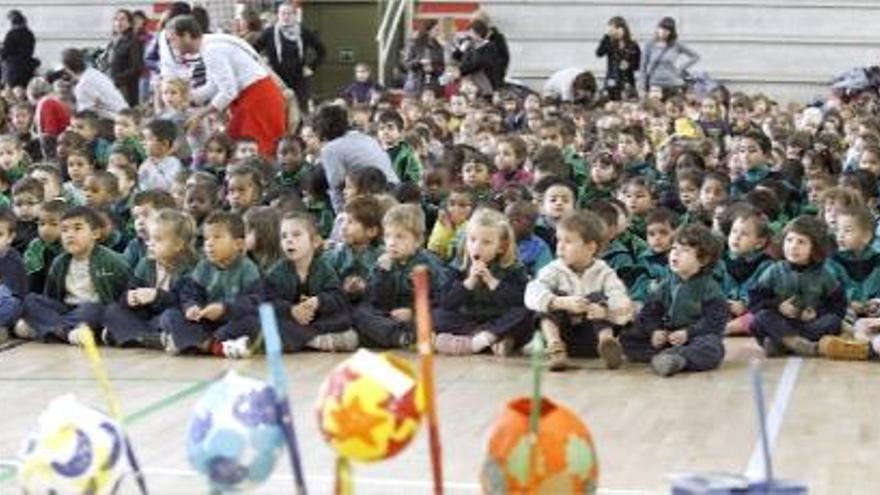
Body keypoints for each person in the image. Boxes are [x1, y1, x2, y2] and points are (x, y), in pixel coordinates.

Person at [525, 210, 632, 371]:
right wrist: (559, 302)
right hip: (565, 336)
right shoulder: (554, 269)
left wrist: (605, 312)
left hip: (591, 339)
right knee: (549, 300)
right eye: (558, 239)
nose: (560, 246)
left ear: (590, 247)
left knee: (598, 297)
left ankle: (607, 344)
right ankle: (556, 348)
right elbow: (531, 292)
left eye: (568, 241)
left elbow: (624, 305)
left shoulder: (605, 272)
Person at [167, 15, 287, 159]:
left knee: (255, 155)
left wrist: (201, 113)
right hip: (254, 98)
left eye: (172, 39)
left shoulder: (212, 49)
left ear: (186, 36)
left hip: (258, 101)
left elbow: (229, 92)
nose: (171, 45)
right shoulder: (210, 44)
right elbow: (213, 87)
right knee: (236, 150)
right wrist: (185, 95)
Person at [622, 223, 726, 377]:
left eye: (685, 250)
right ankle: (667, 356)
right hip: (668, 336)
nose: (675, 254)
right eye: (674, 249)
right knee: (629, 337)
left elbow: (714, 322)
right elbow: (649, 312)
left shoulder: (710, 288)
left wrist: (688, 333)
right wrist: (655, 330)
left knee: (712, 348)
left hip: (695, 338)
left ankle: (678, 359)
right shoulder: (665, 284)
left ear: (703, 260)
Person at [15, 207, 130, 344]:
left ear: (95, 233)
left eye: (77, 228)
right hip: (66, 308)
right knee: (30, 300)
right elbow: (50, 296)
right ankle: (66, 332)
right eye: (64, 230)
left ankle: (47, 329)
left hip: (93, 310)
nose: (70, 235)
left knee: (93, 309)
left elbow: (126, 292)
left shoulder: (112, 260)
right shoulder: (60, 262)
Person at [159, 211, 261, 357]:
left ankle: (195, 344)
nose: (209, 243)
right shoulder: (203, 266)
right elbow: (190, 293)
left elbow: (255, 301)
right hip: (205, 324)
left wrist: (225, 309)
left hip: (229, 323)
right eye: (207, 239)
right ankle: (213, 346)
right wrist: (192, 307)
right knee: (170, 315)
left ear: (238, 244)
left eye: (217, 237)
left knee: (252, 323)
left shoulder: (247, 268)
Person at [432, 208, 532, 356]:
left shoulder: (513, 267)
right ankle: (491, 339)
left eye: (486, 242)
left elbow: (519, 300)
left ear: (500, 247)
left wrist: (492, 282)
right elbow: (446, 301)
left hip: (499, 316)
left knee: (526, 314)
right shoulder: (459, 265)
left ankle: (479, 341)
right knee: (437, 314)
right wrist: (468, 283)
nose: (476, 247)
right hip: (469, 319)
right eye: (472, 240)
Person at [749, 216, 846, 357]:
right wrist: (778, 306)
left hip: (810, 325)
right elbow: (755, 301)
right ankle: (794, 342)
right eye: (789, 240)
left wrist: (817, 313)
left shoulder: (825, 274)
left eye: (801, 242)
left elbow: (838, 307)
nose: (793, 246)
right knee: (760, 318)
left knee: (833, 322)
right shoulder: (774, 271)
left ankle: (781, 343)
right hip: (781, 322)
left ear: (815, 247)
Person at [353, 204, 447, 348]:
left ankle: (393, 337)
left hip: (417, 314)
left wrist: (412, 312)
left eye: (400, 237)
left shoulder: (429, 263)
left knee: (440, 316)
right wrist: (382, 273)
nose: (392, 243)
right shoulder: (383, 262)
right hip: (391, 316)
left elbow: (442, 298)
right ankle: (401, 338)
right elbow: (375, 300)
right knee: (360, 312)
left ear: (418, 241)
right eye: (388, 236)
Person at [102, 208, 197, 348]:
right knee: (112, 310)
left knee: (171, 317)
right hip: (147, 319)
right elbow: (126, 294)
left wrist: (156, 296)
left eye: (158, 239)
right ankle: (152, 339)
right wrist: (130, 298)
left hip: (167, 318)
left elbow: (184, 303)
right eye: (150, 238)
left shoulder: (190, 268)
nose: (150, 243)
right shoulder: (146, 263)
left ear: (178, 245)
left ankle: (132, 337)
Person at [263, 211, 354, 352]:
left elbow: (337, 295)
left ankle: (303, 339)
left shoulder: (324, 268)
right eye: (284, 236)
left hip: (317, 321)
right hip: (290, 320)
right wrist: (291, 310)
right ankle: (312, 340)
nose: (289, 240)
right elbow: (268, 300)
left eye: (296, 234)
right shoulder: (277, 271)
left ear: (315, 242)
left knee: (345, 321)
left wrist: (319, 301)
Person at [312, 104, 399, 212]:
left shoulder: (330, 149)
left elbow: (336, 185)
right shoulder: (366, 138)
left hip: (375, 197)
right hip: (396, 190)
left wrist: (341, 217)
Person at [254, 2, 325, 111]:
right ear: (278, 15)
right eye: (283, 13)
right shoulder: (269, 33)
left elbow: (322, 51)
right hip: (276, 80)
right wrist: (263, 65)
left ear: (295, 15)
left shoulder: (304, 32)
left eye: (289, 13)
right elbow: (252, 51)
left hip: (298, 80)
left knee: (301, 111)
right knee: (277, 111)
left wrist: (311, 67)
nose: (286, 16)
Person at [61, 48, 129, 122]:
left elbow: (85, 117)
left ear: (67, 67)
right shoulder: (94, 73)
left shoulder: (83, 86)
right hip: (124, 115)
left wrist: (65, 103)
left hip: (115, 121)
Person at [640, 17, 699, 97]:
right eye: (662, 28)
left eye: (667, 30)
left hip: (671, 84)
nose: (664, 32)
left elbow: (695, 56)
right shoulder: (649, 45)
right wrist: (642, 88)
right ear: (658, 29)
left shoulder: (675, 45)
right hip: (654, 85)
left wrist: (681, 68)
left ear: (671, 32)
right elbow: (643, 67)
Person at [103, 9, 144, 106]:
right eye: (116, 19)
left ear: (130, 22)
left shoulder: (134, 41)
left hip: (125, 88)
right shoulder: (114, 41)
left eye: (122, 19)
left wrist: (116, 79)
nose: (118, 22)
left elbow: (137, 68)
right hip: (111, 85)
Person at [451, 20, 503, 96]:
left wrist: (460, 70)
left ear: (479, 34)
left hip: (483, 84)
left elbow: (476, 63)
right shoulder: (470, 45)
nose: (469, 35)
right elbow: (456, 57)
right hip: (468, 84)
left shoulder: (489, 48)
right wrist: (461, 49)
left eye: (471, 32)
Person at [596, 16, 640, 101]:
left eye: (613, 29)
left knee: (627, 105)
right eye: (610, 30)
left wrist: (629, 65)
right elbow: (599, 53)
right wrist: (606, 37)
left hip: (627, 81)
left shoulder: (633, 45)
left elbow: (637, 65)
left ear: (621, 28)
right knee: (611, 103)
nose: (612, 32)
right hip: (612, 79)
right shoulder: (609, 42)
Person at [403, 19, 445, 98]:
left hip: (433, 84)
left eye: (438, 30)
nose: (438, 32)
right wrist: (419, 62)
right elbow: (407, 65)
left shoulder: (439, 47)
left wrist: (433, 68)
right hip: (417, 83)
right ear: (428, 30)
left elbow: (442, 68)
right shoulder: (414, 45)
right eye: (436, 30)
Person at [1, 10, 38, 91]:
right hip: (27, 68)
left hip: (13, 69)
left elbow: (5, 52)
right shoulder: (29, 34)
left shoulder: (12, 34)